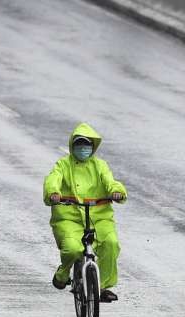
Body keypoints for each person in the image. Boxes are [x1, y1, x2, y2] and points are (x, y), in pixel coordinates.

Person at [43, 123, 127, 302]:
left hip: (99, 216)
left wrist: (116, 192)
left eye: (86, 145)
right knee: (73, 249)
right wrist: (54, 194)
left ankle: (102, 286)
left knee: (110, 243)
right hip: (69, 217)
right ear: (72, 146)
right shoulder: (63, 165)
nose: (83, 149)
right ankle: (63, 273)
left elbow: (110, 181)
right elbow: (53, 180)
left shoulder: (100, 166)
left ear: (93, 147)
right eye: (79, 145)